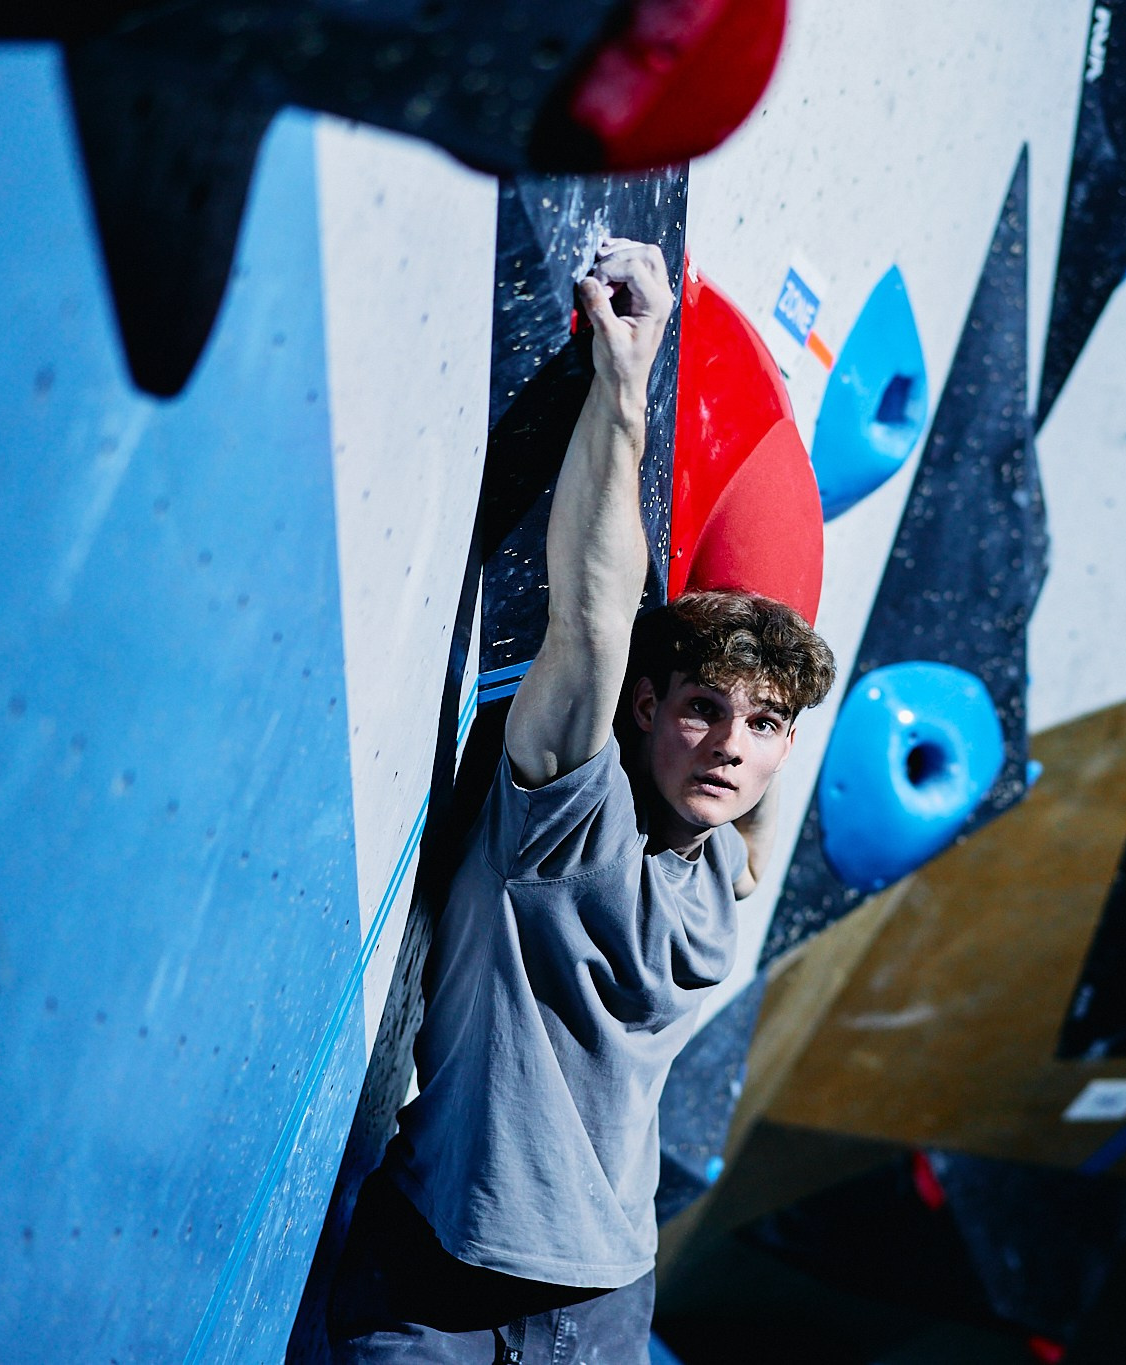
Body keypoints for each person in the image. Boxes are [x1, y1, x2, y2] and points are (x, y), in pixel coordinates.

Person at [327, 236, 836, 1364]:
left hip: (605, 1301)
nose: (727, 746)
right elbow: (595, 613)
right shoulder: (566, 814)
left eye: (760, 728)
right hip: (442, 1278)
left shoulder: (717, 866)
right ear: (642, 707)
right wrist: (624, 376)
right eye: (701, 709)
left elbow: (742, 721)